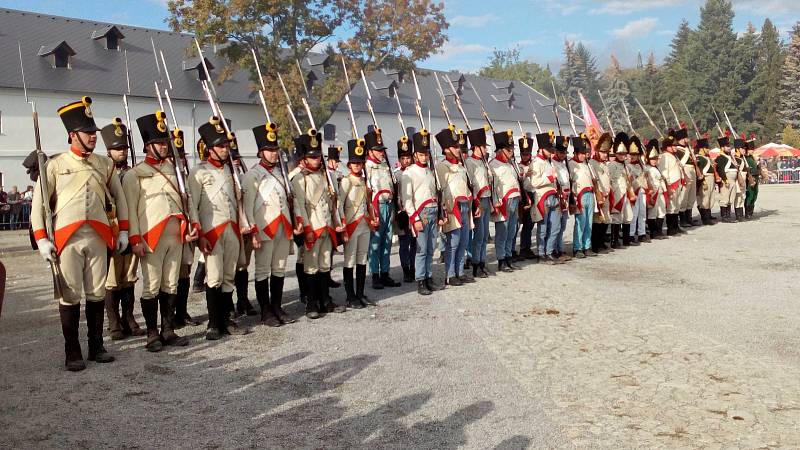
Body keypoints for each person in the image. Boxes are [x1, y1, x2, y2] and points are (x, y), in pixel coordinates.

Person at [32, 97, 129, 371]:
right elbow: (39, 204)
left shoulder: (104, 164)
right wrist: (42, 239)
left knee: (97, 293)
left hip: (99, 237)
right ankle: (72, 351)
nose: (93, 138)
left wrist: (123, 231)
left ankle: (96, 345)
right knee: (70, 295)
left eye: (94, 133)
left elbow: (119, 200)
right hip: (67, 238)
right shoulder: (54, 165)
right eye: (88, 133)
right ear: (73, 135)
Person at [125, 112, 196, 351]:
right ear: (148, 145)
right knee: (151, 286)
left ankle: (168, 329)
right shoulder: (135, 174)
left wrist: (190, 226)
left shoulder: (175, 171)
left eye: (165, 143)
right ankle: (152, 333)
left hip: (176, 235)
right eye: (159, 143)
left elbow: (185, 201)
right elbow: (131, 211)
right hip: (151, 237)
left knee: (171, 284)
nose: (164, 147)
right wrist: (135, 238)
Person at [188, 117, 250, 339]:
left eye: (227, 146)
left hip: (232, 229)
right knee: (213, 278)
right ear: (209, 148)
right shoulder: (198, 172)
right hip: (211, 231)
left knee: (228, 276)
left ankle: (226, 318)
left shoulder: (231, 172)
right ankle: (213, 323)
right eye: (221, 146)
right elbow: (192, 206)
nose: (226, 150)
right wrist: (199, 233)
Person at [243, 122, 300, 326]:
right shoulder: (252, 175)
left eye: (275, 149)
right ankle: (265, 311)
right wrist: (253, 232)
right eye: (269, 150)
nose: (274, 154)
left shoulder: (280, 173)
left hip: (283, 227)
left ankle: (277, 306)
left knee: (279, 269)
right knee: (262, 271)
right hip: (264, 229)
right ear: (261, 152)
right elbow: (247, 207)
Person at [291, 130, 347, 319]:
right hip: (312, 228)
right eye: (312, 157)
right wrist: (306, 229)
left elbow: (333, 203)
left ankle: (326, 299)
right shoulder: (300, 178)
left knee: (324, 266)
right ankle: (311, 302)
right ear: (305, 158)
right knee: (311, 267)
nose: (316, 160)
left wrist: (337, 221)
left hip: (327, 226)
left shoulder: (326, 177)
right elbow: (300, 206)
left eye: (317, 156)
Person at [100, 120, 144, 341]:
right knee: (111, 279)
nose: (122, 152)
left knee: (128, 277)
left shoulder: (133, 173)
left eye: (124, 148)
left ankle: (129, 318)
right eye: (118, 148)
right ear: (108, 150)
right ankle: (113, 322)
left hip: (131, 228)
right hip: (111, 230)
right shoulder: (102, 172)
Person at [338, 138, 378, 308]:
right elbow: (339, 205)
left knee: (362, 259)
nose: (356, 165)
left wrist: (373, 217)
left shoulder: (364, 181)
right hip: (352, 224)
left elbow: (369, 203)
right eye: (354, 162)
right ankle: (350, 296)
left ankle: (360, 293)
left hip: (364, 224)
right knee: (350, 260)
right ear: (349, 165)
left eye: (359, 163)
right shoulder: (346, 181)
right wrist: (342, 227)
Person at [402, 129, 443, 295]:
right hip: (421, 214)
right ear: (415, 155)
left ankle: (428, 276)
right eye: (421, 154)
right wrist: (415, 218)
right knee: (421, 249)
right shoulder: (408, 172)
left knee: (431, 248)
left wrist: (440, 214)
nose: (424, 157)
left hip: (433, 211)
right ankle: (420, 279)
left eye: (426, 153)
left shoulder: (431, 171)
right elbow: (407, 199)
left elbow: (436, 194)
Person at [435, 126, 474, 286]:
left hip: (465, 206)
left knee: (464, 242)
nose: (458, 149)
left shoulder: (461, 166)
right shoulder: (441, 166)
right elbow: (441, 190)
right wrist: (444, 209)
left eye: (458, 147)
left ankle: (460, 272)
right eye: (455, 147)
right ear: (446, 149)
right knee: (453, 243)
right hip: (453, 208)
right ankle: (450, 275)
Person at [364, 129, 401, 290]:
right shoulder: (367, 167)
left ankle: (385, 273)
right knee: (375, 243)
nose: (381, 153)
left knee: (386, 242)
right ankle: (375, 275)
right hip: (376, 207)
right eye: (378, 151)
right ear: (370, 151)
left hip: (389, 205)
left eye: (382, 150)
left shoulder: (384, 166)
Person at [526, 131, 562, 264]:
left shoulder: (549, 162)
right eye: (548, 149)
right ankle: (541, 253)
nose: (551, 152)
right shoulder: (535, 163)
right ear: (541, 149)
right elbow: (534, 182)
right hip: (542, 197)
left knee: (555, 227)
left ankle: (549, 251)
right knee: (543, 227)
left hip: (553, 195)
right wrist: (550, 178)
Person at [464, 126, 495, 278]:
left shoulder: (483, 162)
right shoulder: (469, 162)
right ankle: (476, 264)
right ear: (476, 147)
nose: (485, 149)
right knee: (479, 235)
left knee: (483, 236)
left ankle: (482, 262)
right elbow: (470, 184)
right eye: (483, 146)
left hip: (486, 198)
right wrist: (475, 203)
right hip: (478, 200)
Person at [490, 130, 522, 272]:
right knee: (502, 233)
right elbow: (493, 187)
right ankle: (501, 259)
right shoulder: (493, 165)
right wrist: (496, 203)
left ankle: (509, 256)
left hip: (514, 199)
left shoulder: (511, 164)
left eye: (512, 149)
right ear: (500, 150)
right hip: (503, 202)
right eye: (508, 149)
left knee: (512, 231)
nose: (511, 152)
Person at [568, 134, 596, 257]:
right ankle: (577, 247)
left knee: (589, 223)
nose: (585, 155)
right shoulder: (571, 164)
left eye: (586, 153)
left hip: (590, 193)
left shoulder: (587, 164)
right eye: (582, 153)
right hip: (579, 195)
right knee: (581, 222)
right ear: (576, 152)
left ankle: (587, 246)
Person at [395, 135, 416, 282]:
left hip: (415, 211)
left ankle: (414, 267)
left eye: (408, 157)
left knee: (415, 242)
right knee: (404, 243)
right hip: (402, 213)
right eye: (403, 158)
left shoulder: (416, 172)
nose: (406, 161)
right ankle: (405, 269)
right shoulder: (396, 175)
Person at [658, 131, 686, 234]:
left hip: (677, 184)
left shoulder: (673, 156)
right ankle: (671, 228)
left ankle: (675, 226)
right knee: (671, 207)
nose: (675, 147)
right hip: (671, 185)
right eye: (673, 145)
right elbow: (664, 173)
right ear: (668, 147)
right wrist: (668, 186)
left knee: (676, 206)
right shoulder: (665, 157)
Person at [590, 132, 612, 253]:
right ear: (597, 151)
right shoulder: (592, 163)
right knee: (597, 221)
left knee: (606, 220)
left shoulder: (605, 164)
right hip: (598, 195)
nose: (605, 155)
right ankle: (596, 244)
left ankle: (602, 242)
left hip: (606, 194)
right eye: (603, 152)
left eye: (606, 152)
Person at [552, 136, 573, 260]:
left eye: (565, 152)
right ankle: (554, 250)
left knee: (562, 226)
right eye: (561, 152)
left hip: (566, 197)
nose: (563, 154)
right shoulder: (552, 163)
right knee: (555, 226)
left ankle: (559, 248)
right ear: (556, 152)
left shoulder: (564, 164)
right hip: (558, 197)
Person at [626, 136, 650, 244]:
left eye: (635, 154)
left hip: (642, 191)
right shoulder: (627, 166)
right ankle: (630, 235)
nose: (634, 156)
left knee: (642, 213)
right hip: (634, 191)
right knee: (633, 214)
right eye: (632, 154)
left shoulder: (641, 165)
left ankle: (642, 233)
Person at [516, 135, 536, 261]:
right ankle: (523, 248)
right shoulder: (518, 166)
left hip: (534, 194)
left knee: (531, 223)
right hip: (524, 195)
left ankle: (527, 247)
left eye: (527, 154)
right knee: (524, 224)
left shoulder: (534, 164)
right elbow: (518, 180)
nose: (525, 156)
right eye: (523, 154)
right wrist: (525, 174)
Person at [645, 139, 667, 239]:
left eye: (655, 158)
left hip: (660, 192)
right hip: (653, 193)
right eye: (652, 159)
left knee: (661, 212)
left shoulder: (657, 168)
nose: (654, 160)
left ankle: (659, 230)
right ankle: (653, 232)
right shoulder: (646, 168)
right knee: (652, 213)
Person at [694, 137, 718, 225]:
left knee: (711, 198)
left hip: (711, 179)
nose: (708, 149)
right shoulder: (699, 158)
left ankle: (708, 216)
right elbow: (699, 172)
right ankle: (705, 219)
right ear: (702, 148)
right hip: (705, 179)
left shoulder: (706, 158)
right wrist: (702, 182)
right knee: (705, 199)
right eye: (707, 148)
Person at [715, 132, 737, 223]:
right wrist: (725, 179)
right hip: (726, 180)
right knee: (725, 198)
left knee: (731, 198)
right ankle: (724, 217)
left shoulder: (730, 157)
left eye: (729, 146)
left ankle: (728, 215)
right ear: (722, 148)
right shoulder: (720, 158)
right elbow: (720, 170)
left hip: (733, 180)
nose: (729, 148)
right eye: (727, 146)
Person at [732, 137, 748, 222]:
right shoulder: (735, 159)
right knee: (738, 197)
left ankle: (741, 215)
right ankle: (738, 216)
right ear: (738, 149)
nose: (744, 150)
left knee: (743, 197)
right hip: (738, 179)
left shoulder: (742, 159)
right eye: (742, 149)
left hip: (743, 178)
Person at [744, 135, 759, 219]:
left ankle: (751, 211)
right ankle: (747, 212)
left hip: (756, 177)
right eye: (751, 149)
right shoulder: (745, 158)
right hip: (750, 178)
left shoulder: (752, 158)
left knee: (755, 195)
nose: (752, 150)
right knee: (749, 195)